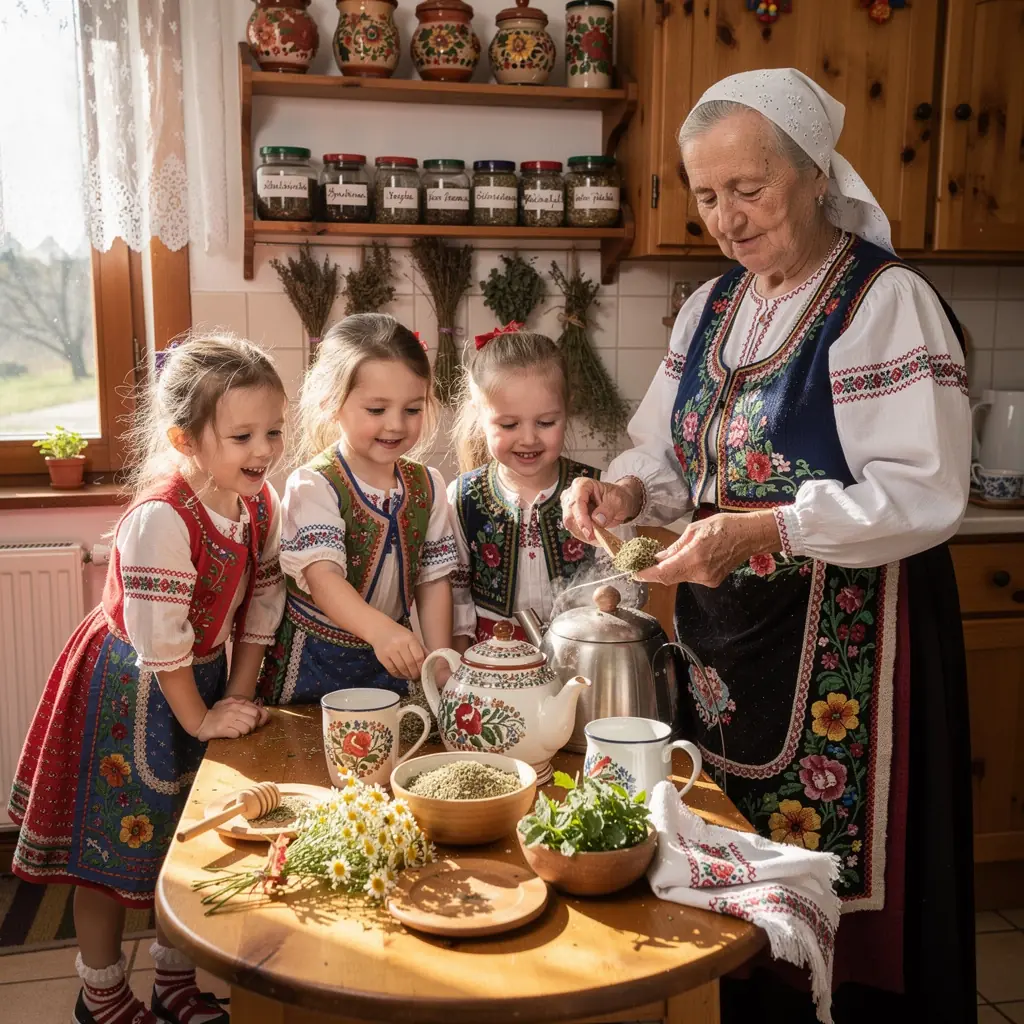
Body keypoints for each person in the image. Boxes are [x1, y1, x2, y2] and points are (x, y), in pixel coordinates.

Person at [561, 69, 975, 1024]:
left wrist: (762, 529)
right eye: (707, 196)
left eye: (750, 190)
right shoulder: (713, 305)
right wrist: (626, 488)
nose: (727, 220)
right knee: (726, 869)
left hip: (852, 651)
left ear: (815, 176)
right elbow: (670, 447)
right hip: (730, 645)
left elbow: (922, 491)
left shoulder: (884, 301)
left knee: (835, 880)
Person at [8, 336, 288, 1024]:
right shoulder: (162, 518)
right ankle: (100, 994)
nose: (264, 449)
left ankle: (173, 983)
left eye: (274, 431)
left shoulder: (259, 504)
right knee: (108, 853)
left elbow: (263, 605)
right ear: (185, 440)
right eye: (243, 434)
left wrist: (237, 693)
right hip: (128, 690)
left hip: (202, 679)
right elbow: (161, 645)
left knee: (184, 841)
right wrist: (198, 718)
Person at [258, 313, 457, 707]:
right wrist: (382, 632)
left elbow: (433, 582)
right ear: (332, 403)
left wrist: (440, 664)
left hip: (390, 660)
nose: (396, 425)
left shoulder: (428, 485)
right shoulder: (314, 485)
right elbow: (323, 579)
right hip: (313, 663)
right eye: (377, 410)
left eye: (413, 409)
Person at [448, 325, 603, 647]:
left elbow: (621, 584)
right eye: (509, 424)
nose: (529, 438)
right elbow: (455, 593)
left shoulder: (597, 492)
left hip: (582, 652)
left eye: (546, 422)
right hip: (492, 658)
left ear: (567, 408)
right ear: (479, 415)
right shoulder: (461, 498)